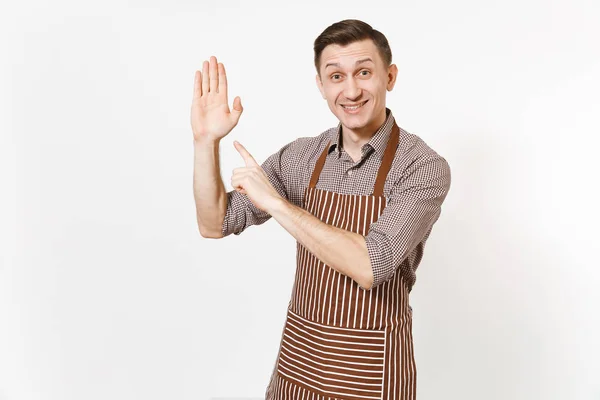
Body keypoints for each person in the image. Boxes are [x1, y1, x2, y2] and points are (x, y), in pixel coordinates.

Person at [191, 19, 451, 400]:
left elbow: (370, 265)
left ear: (389, 77)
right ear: (321, 85)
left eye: (364, 72)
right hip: (297, 369)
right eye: (335, 76)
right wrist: (205, 141)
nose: (351, 90)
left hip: (370, 375)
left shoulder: (421, 166)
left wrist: (277, 205)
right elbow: (215, 223)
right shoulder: (299, 157)